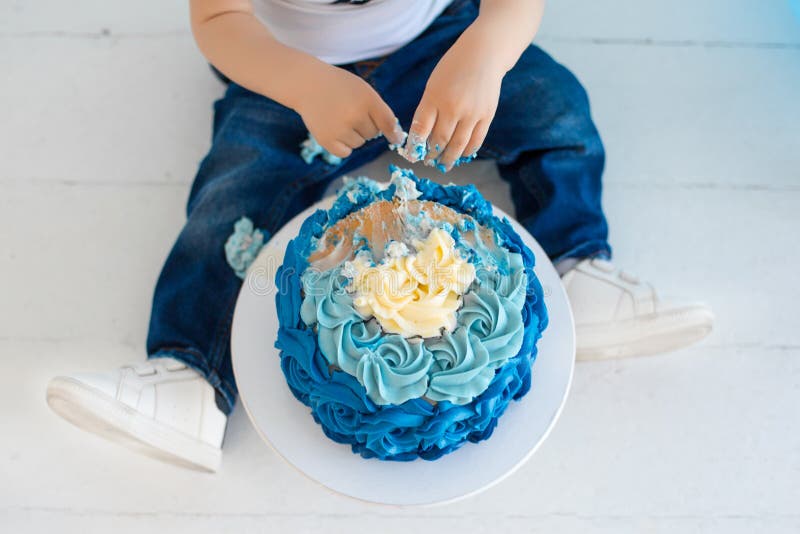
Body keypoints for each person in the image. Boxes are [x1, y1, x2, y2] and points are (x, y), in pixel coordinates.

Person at [46, 0, 714, 472]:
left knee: (554, 105)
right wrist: (305, 83)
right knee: (235, 190)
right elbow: (220, 20)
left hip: (439, 40)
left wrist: (485, 55)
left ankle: (577, 262)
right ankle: (189, 376)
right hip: (288, 69)